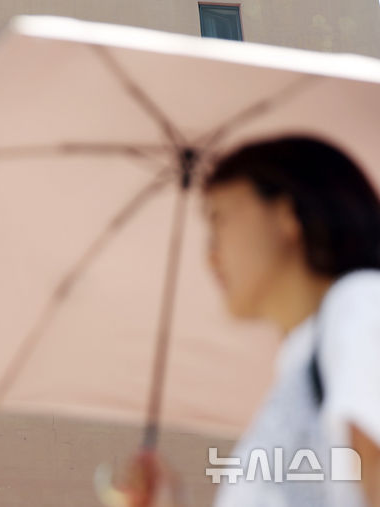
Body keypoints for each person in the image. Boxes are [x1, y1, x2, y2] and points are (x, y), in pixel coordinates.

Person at [119, 136, 380, 507]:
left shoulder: (359, 304)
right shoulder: (301, 361)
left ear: (288, 214)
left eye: (219, 220)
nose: (211, 257)